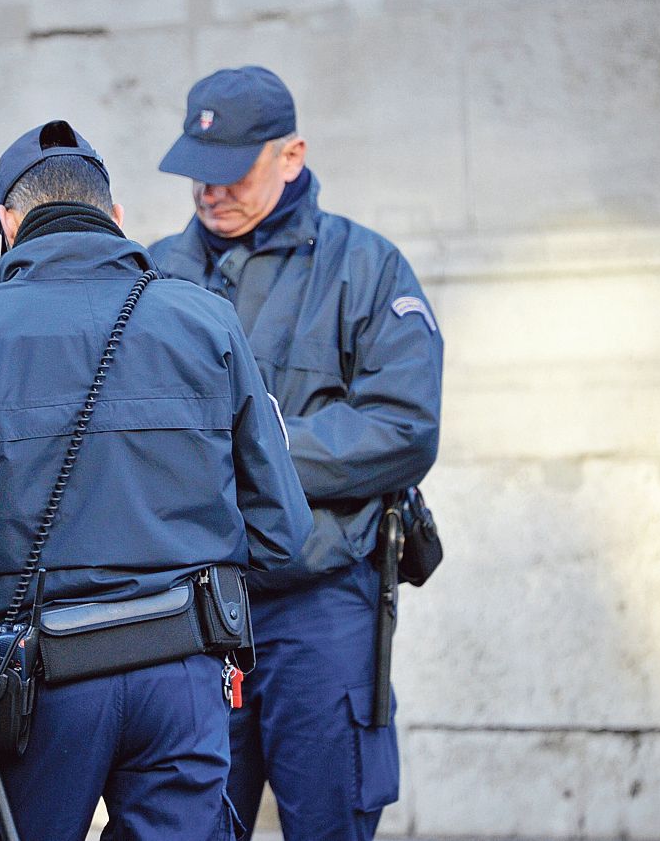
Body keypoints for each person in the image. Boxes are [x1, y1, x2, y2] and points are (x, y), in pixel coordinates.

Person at [0, 119, 311, 841]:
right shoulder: (209, 321)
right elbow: (283, 531)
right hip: (184, 675)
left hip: (41, 677)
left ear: (8, 222)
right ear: (116, 216)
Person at [149, 67, 444, 840]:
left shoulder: (365, 267)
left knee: (329, 820)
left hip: (320, 604)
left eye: (232, 172)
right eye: (198, 172)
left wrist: (259, 448)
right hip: (187, 612)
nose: (211, 192)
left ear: (292, 155)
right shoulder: (150, 278)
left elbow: (405, 426)